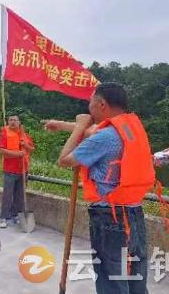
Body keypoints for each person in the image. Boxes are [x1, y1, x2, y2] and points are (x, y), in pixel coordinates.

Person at [46, 82, 154, 294]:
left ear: (101, 103)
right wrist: (62, 125)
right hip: (134, 215)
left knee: (111, 280)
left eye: (91, 101)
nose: (89, 106)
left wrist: (77, 127)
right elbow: (93, 131)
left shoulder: (105, 137)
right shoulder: (129, 128)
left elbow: (64, 160)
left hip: (110, 219)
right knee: (134, 278)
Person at [0, 113, 34, 228]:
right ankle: (4, 217)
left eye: (15, 120)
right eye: (11, 120)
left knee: (19, 196)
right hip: (9, 170)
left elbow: (32, 149)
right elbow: (2, 150)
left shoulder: (25, 135)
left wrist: (25, 145)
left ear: (19, 122)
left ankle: (16, 215)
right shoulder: (5, 133)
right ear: (8, 122)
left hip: (23, 170)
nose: (13, 122)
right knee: (7, 195)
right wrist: (18, 154)